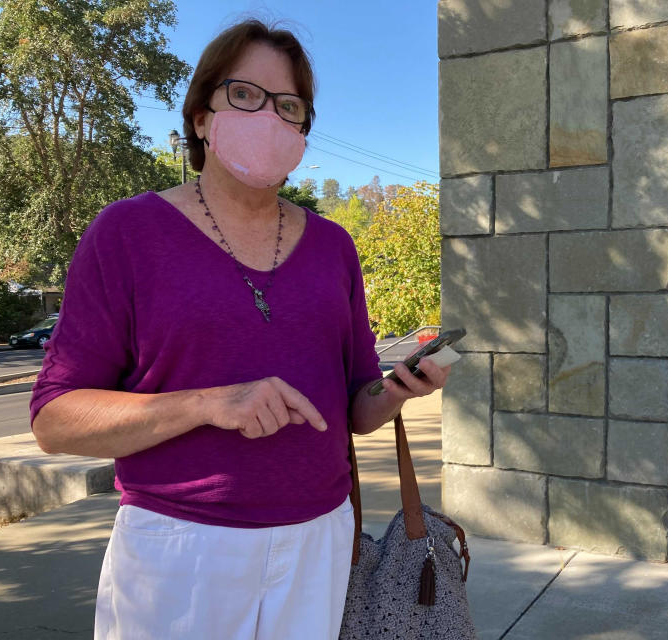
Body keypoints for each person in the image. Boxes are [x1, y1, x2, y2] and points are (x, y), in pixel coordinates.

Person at [29, 19, 450, 640]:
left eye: (289, 106)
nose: (270, 118)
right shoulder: (127, 234)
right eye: (245, 95)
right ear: (201, 116)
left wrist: (397, 389)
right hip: (180, 548)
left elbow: (355, 407)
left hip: (321, 537)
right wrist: (208, 404)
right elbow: (54, 419)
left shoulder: (334, 246)